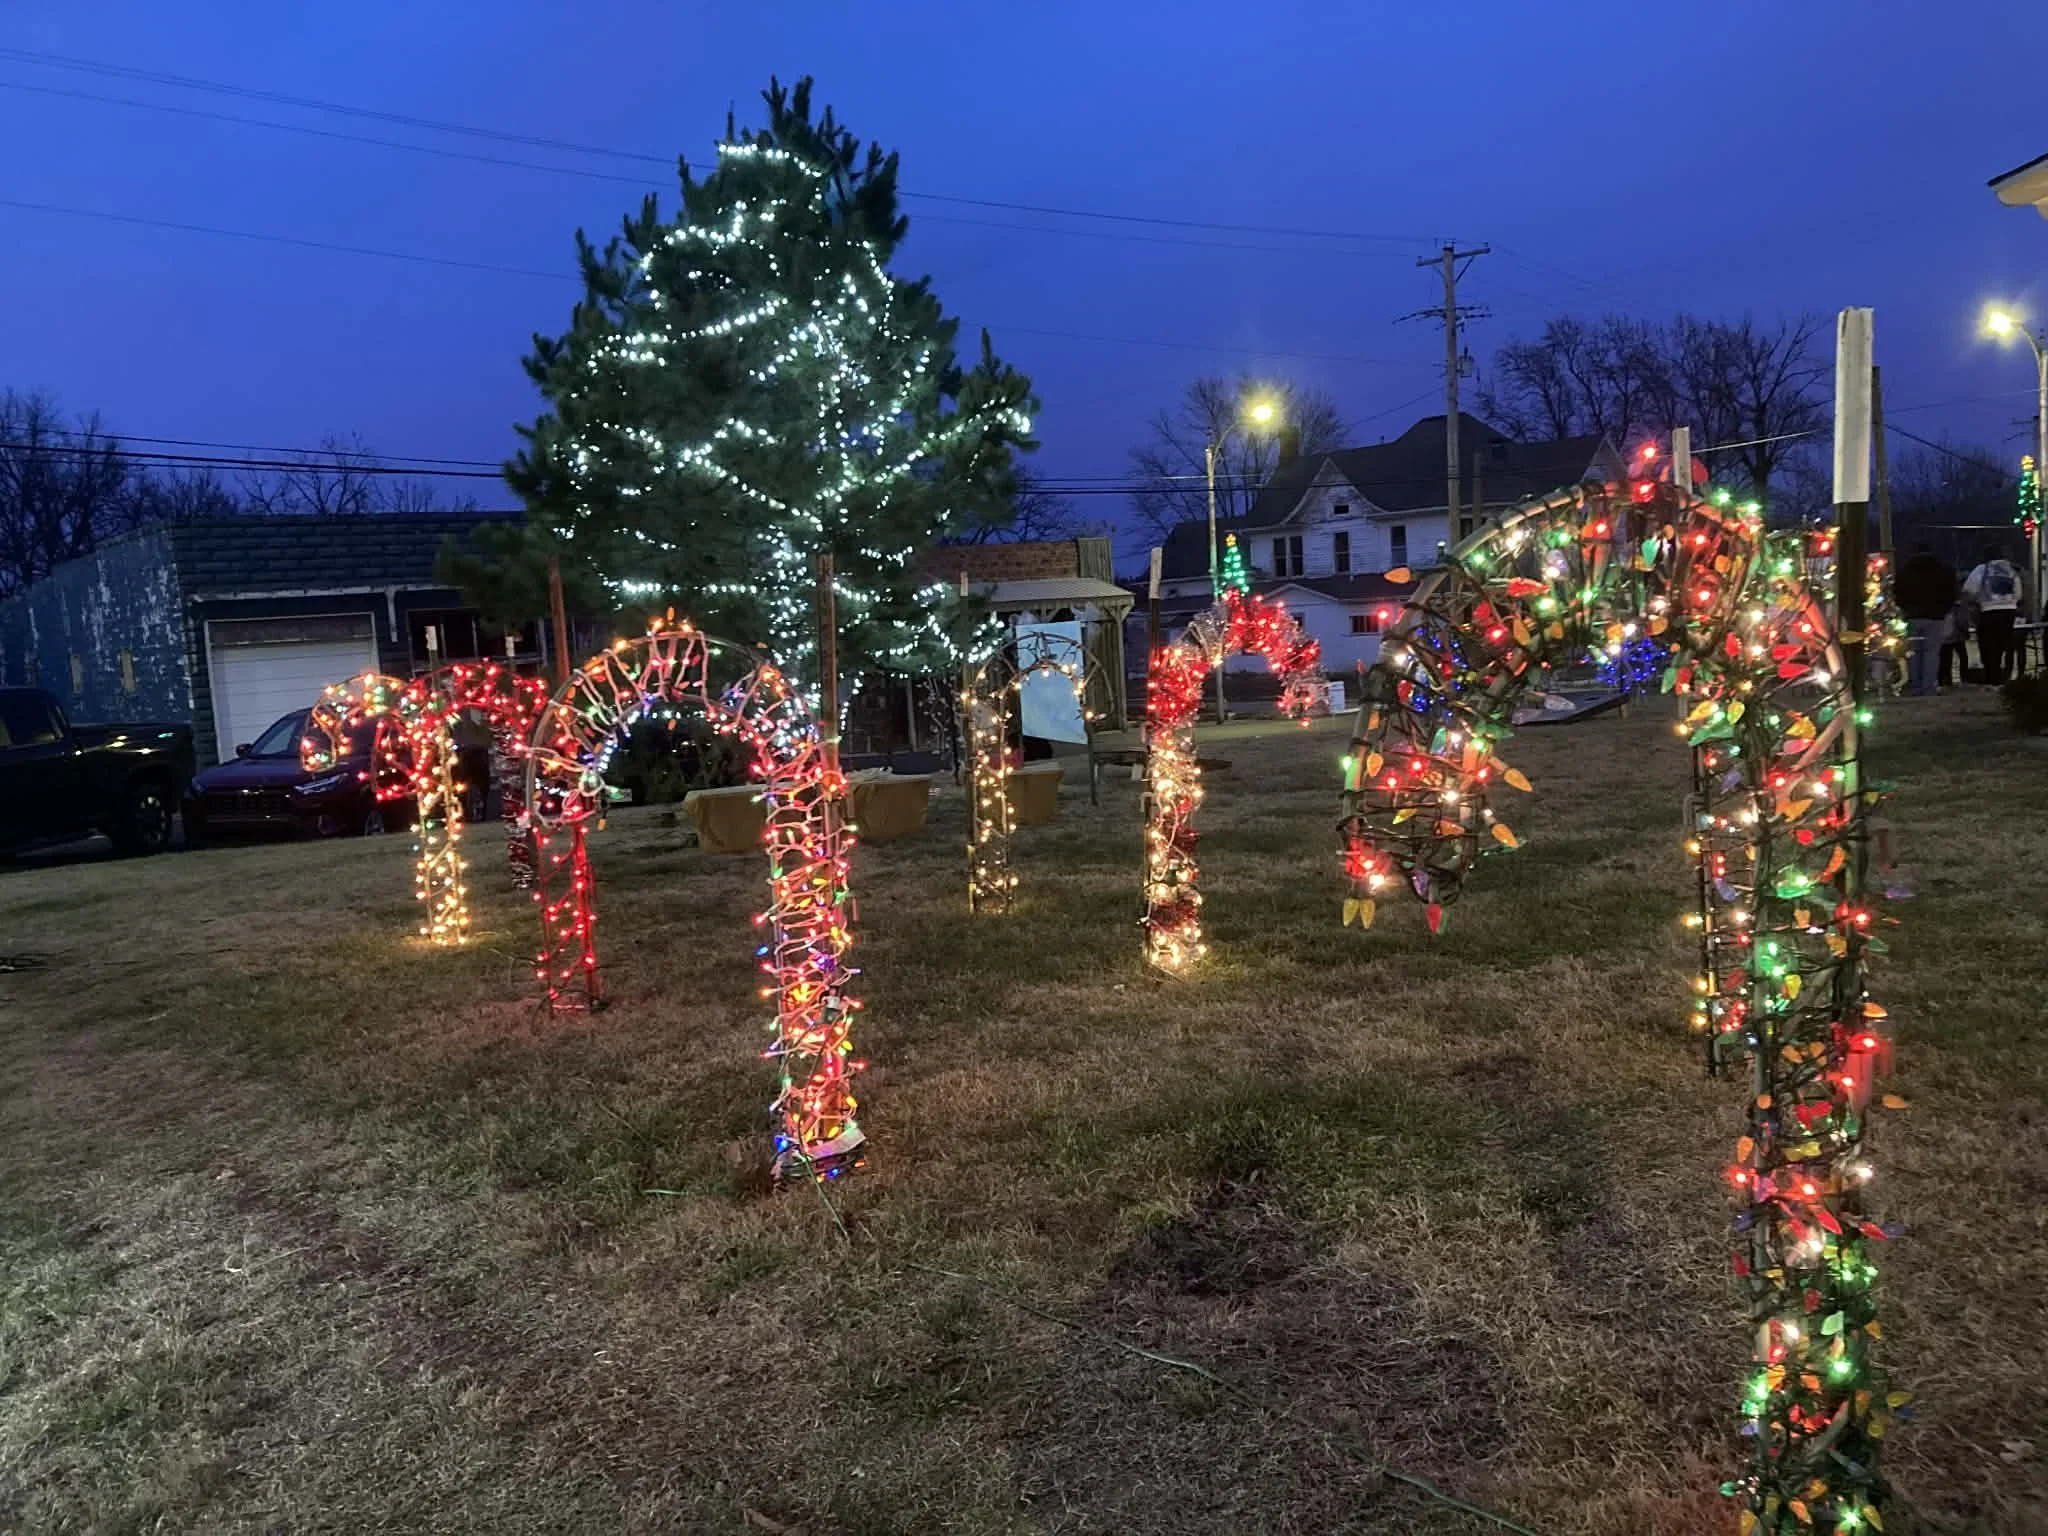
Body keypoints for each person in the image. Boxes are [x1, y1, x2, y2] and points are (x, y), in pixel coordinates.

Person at [1891, 542, 1957, 696]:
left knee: (1913, 653)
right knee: (1931, 653)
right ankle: (1928, 687)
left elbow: (1897, 592)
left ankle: (1915, 686)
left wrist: (1904, 608)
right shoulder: (1942, 569)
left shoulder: (1905, 571)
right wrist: (1944, 609)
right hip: (1935, 616)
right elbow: (1951, 592)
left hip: (1912, 617)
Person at [1962, 544, 2024, 684]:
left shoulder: (1982, 569)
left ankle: (1991, 675)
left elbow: (1969, 589)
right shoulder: (2010, 570)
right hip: (2009, 611)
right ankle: (2000, 676)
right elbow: (2019, 594)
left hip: (1988, 611)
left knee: (1987, 645)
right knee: (2002, 645)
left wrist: (1973, 602)